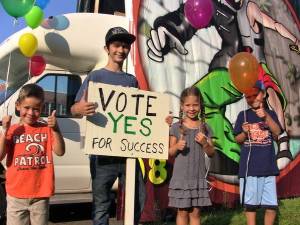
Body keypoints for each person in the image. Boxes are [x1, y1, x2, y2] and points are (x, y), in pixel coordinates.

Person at [71, 26, 145, 225]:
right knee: (101, 205)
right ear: (107, 48)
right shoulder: (95, 77)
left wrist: (159, 122)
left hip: (128, 153)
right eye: (117, 45)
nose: (121, 50)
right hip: (102, 155)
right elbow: (74, 109)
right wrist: (81, 108)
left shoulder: (132, 81)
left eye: (125, 46)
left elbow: (140, 114)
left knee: (137, 200)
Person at [0, 84, 65, 225]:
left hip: (40, 195)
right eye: (26, 108)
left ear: (42, 108)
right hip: (15, 194)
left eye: (36, 109)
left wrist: (56, 128)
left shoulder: (46, 129)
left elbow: (60, 151)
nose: (31, 112)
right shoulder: (12, 130)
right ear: (18, 106)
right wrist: (4, 130)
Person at [234, 82, 281, 225]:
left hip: (268, 167)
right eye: (248, 96)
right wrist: (244, 132)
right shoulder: (243, 115)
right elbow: (238, 139)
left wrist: (265, 117)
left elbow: (277, 132)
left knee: (272, 206)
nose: (252, 98)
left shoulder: (271, 114)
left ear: (264, 94)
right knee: (251, 206)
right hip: (250, 169)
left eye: (255, 94)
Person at [168, 86, 215, 225]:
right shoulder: (176, 127)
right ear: (182, 106)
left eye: (195, 104)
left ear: (201, 105)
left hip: (198, 178)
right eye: (188, 105)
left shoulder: (205, 127)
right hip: (181, 179)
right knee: (182, 212)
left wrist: (205, 143)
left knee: (195, 213)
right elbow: (169, 152)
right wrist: (176, 147)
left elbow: (211, 153)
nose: (192, 108)